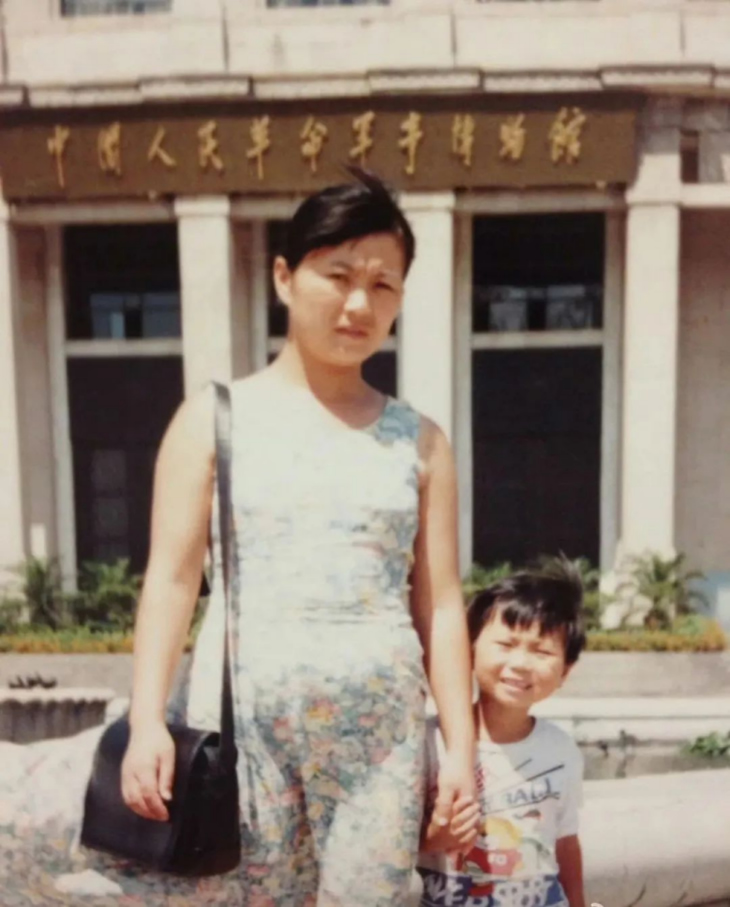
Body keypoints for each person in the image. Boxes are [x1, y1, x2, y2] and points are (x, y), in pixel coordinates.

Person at [0, 168, 475, 907]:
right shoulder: (214, 418)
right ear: (285, 277)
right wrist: (148, 720)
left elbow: (441, 605)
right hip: (241, 734)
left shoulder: (421, 442)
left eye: (383, 284)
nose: (359, 303)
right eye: (338, 275)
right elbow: (171, 580)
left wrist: (462, 751)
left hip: (378, 744)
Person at [417, 559, 587, 907]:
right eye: (506, 645)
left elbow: (565, 840)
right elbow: (390, 848)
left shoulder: (561, 750)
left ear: (565, 671)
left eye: (542, 651)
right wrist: (432, 839)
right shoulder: (430, 743)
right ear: (469, 649)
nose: (521, 663)